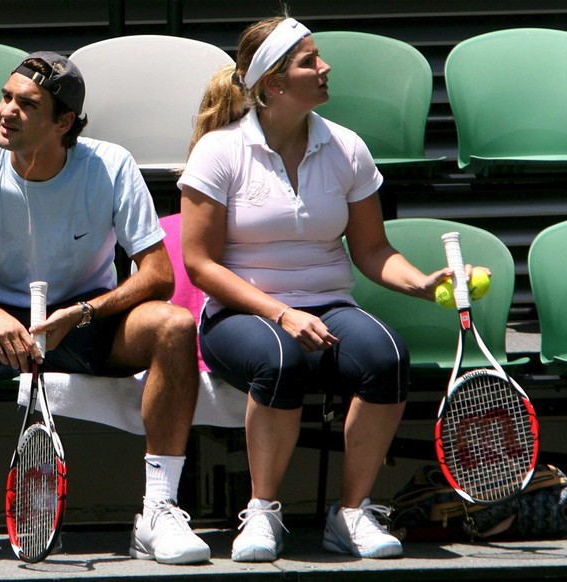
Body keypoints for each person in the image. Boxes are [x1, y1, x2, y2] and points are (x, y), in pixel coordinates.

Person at [0, 51, 211, 568]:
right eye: (6, 97)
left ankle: (158, 509)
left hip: (86, 324)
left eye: (27, 105)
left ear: (64, 122)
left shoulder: (110, 166)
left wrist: (82, 314)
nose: (7, 111)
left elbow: (158, 276)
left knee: (173, 325)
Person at [179, 16, 472, 561]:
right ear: (273, 83)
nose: (325, 67)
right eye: (309, 60)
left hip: (329, 306)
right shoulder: (218, 152)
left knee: (387, 357)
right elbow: (198, 264)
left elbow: (373, 251)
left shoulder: (347, 147)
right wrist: (282, 314)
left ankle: (352, 512)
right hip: (238, 315)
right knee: (280, 359)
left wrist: (422, 282)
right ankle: (263, 511)